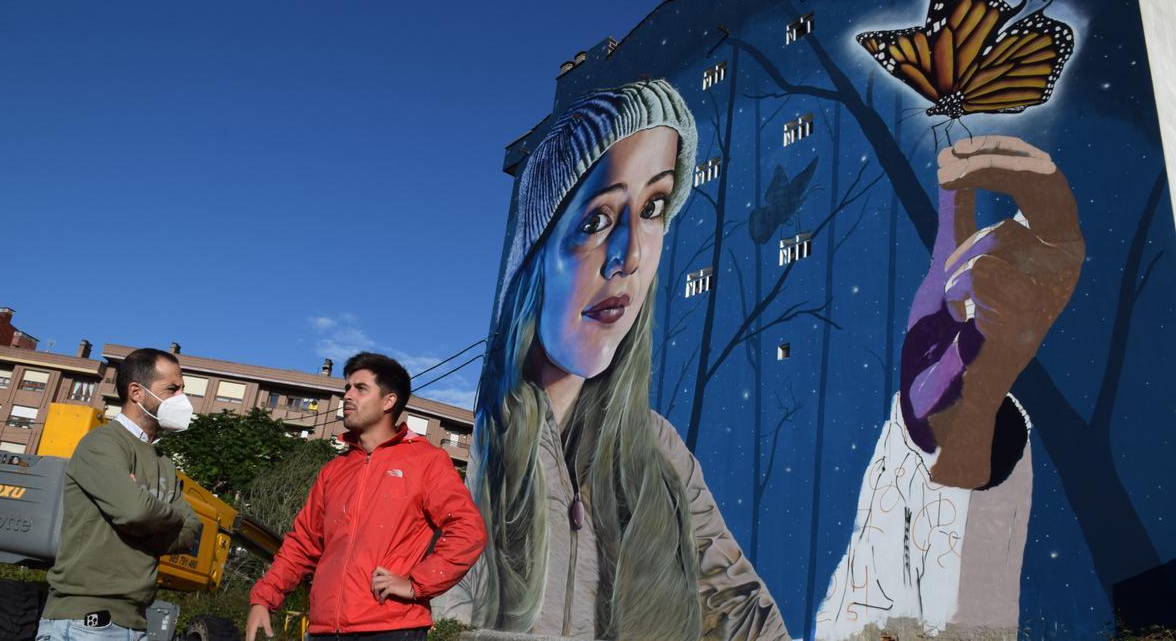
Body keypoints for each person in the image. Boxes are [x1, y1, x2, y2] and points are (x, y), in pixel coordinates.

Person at [433, 78, 1082, 640]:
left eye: (655, 207)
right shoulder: (485, 452)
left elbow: (740, 609)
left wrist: (965, 398)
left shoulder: (657, 451)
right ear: (536, 251)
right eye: (598, 217)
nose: (631, 253)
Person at [246, 352, 486, 641]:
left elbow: (468, 530)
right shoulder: (334, 470)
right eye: (346, 388)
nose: (347, 396)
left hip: (391, 628)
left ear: (389, 401)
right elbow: (303, 543)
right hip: (322, 630)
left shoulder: (426, 461)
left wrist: (416, 584)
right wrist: (264, 598)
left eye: (360, 388)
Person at [37, 347, 203, 640]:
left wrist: (143, 510)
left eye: (182, 390)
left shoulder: (164, 462)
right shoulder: (101, 444)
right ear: (137, 392)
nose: (182, 399)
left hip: (137, 623)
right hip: (84, 622)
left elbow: (191, 532)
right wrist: (156, 516)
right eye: (172, 389)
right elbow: (134, 511)